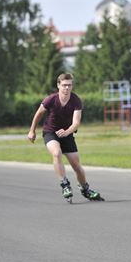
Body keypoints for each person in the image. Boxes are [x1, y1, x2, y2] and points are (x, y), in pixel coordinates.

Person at [28, 73, 103, 202]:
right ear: (58, 85)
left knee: (77, 166)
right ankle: (64, 184)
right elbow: (39, 113)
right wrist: (32, 131)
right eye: (64, 85)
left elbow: (76, 123)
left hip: (67, 134)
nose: (67, 88)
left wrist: (67, 132)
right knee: (56, 154)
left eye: (69, 85)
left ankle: (85, 189)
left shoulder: (76, 100)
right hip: (50, 132)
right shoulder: (51, 99)